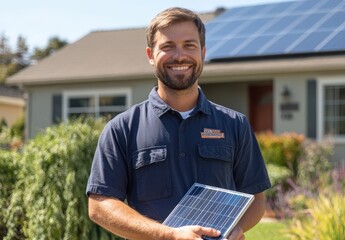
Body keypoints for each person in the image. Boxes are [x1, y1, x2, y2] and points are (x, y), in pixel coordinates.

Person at [86, 7, 271, 240]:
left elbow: (256, 197)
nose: (179, 55)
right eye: (167, 46)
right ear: (150, 55)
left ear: (202, 52)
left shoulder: (235, 125)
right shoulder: (121, 129)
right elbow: (100, 205)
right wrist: (168, 235)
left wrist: (236, 228)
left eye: (189, 45)